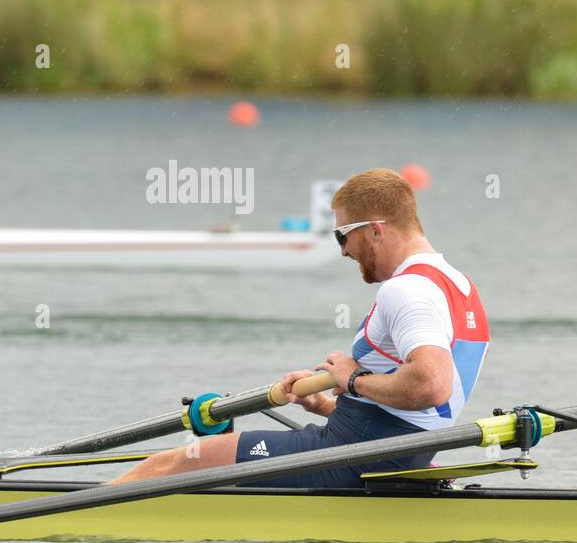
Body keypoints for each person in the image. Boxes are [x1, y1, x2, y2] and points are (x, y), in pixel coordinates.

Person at [111, 168, 489, 488]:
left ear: (376, 229)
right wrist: (324, 404)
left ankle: (77, 520)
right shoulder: (460, 287)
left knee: (173, 464)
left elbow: (431, 386)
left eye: (343, 234)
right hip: (394, 455)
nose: (343, 250)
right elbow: (408, 420)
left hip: (351, 458)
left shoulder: (406, 289)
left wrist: (352, 379)